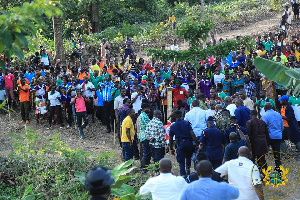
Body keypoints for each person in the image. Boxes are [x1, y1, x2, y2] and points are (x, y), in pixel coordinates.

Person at [169, 110, 199, 176]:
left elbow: (170, 139)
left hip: (180, 144)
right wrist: (197, 143)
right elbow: (192, 134)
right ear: (181, 115)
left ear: (174, 116)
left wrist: (171, 148)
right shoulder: (187, 123)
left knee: (181, 162)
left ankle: (183, 176)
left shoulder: (172, 126)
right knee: (188, 157)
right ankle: (188, 171)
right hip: (189, 143)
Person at [262, 102, 283, 168]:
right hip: (278, 136)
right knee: (277, 153)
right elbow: (282, 126)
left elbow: (263, 127)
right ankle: (278, 168)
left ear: (265, 108)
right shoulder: (278, 114)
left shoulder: (265, 115)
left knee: (263, 153)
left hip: (269, 136)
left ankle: (264, 168)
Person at [139, 104, 151, 168]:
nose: (149, 110)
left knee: (147, 153)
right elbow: (148, 125)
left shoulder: (145, 115)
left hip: (145, 136)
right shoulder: (143, 116)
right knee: (146, 153)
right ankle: (144, 167)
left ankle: (146, 166)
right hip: (145, 136)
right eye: (148, 108)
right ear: (144, 108)